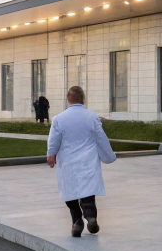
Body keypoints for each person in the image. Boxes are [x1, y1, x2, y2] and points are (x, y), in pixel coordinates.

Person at [46, 85, 116, 237]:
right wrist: (109, 155)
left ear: (68, 99)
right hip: (87, 160)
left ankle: (77, 221)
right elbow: (101, 137)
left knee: (69, 191)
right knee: (88, 190)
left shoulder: (59, 118)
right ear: (83, 99)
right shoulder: (91, 117)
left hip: (68, 161)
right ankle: (91, 216)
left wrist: (51, 154)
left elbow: (54, 139)